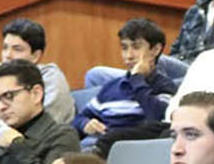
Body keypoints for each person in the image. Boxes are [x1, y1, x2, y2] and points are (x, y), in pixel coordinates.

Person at [74, 18, 177, 150]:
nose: (128, 56)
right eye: (124, 48)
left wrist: (137, 79)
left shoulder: (164, 86)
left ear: (156, 49)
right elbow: (80, 118)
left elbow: (158, 117)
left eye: (136, 47)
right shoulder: (111, 87)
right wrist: (85, 123)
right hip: (94, 147)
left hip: (131, 151)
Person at [0, 19, 74, 139]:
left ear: (35, 56)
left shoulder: (51, 79)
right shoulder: (2, 82)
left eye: (17, 49)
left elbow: (39, 131)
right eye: (5, 48)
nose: (7, 55)